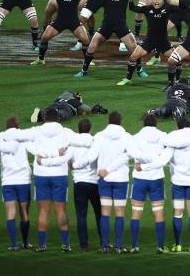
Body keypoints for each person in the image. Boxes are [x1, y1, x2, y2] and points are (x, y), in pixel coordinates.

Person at [70, 112, 135, 253]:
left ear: (108, 121)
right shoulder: (127, 137)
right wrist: (111, 169)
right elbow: (128, 156)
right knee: (119, 213)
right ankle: (118, 246)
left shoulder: (99, 136)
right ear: (121, 122)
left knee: (105, 212)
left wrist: (76, 165)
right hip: (120, 179)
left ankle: (104, 245)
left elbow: (91, 156)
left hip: (104, 179)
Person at [71, 0, 152, 77]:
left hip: (121, 26)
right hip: (106, 25)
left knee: (134, 48)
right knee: (91, 47)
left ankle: (140, 70)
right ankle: (84, 70)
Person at [19, 108, 75, 252]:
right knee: (61, 210)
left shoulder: (36, 131)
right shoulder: (66, 132)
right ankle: (66, 244)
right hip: (60, 175)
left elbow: (21, 139)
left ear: (44, 118)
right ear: (58, 118)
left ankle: (42, 245)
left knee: (43, 211)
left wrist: (38, 153)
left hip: (41, 175)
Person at [54, 119, 101, 252]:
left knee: (81, 215)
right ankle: (104, 242)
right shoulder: (94, 142)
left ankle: (83, 245)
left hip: (79, 183)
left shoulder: (73, 144)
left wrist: (73, 166)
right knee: (99, 213)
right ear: (90, 129)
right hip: (94, 183)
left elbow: (69, 161)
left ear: (78, 128)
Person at [130, 113, 172, 254]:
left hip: (139, 178)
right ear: (156, 123)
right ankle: (160, 246)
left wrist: (142, 162)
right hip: (156, 178)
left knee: (136, 212)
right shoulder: (163, 136)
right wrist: (155, 159)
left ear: (144, 123)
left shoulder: (135, 137)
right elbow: (169, 149)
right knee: (158, 212)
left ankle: (134, 246)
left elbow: (131, 153)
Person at [118, 0, 176, 86]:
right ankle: (128, 79)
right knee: (133, 57)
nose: (156, 1)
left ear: (162, 1)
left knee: (176, 60)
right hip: (149, 41)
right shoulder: (147, 9)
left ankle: (174, 81)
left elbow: (182, 8)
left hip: (163, 41)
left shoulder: (168, 8)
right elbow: (132, 8)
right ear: (152, 0)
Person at [30, 0, 90, 65]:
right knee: (44, 38)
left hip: (74, 22)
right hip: (59, 22)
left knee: (85, 40)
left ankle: (88, 61)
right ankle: (41, 59)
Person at [163, 117, 190, 252]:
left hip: (177, 181)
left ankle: (178, 244)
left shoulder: (173, 141)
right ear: (189, 126)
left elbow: (165, 157)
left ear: (177, 126)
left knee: (178, 213)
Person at [0, 116, 32, 251]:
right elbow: (33, 148)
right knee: (24, 212)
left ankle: (14, 244)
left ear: (6, 127)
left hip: (8, 181)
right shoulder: (23, 137)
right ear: (18, 127)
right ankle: (26, 243)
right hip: (23, 180)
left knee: (11, 212)